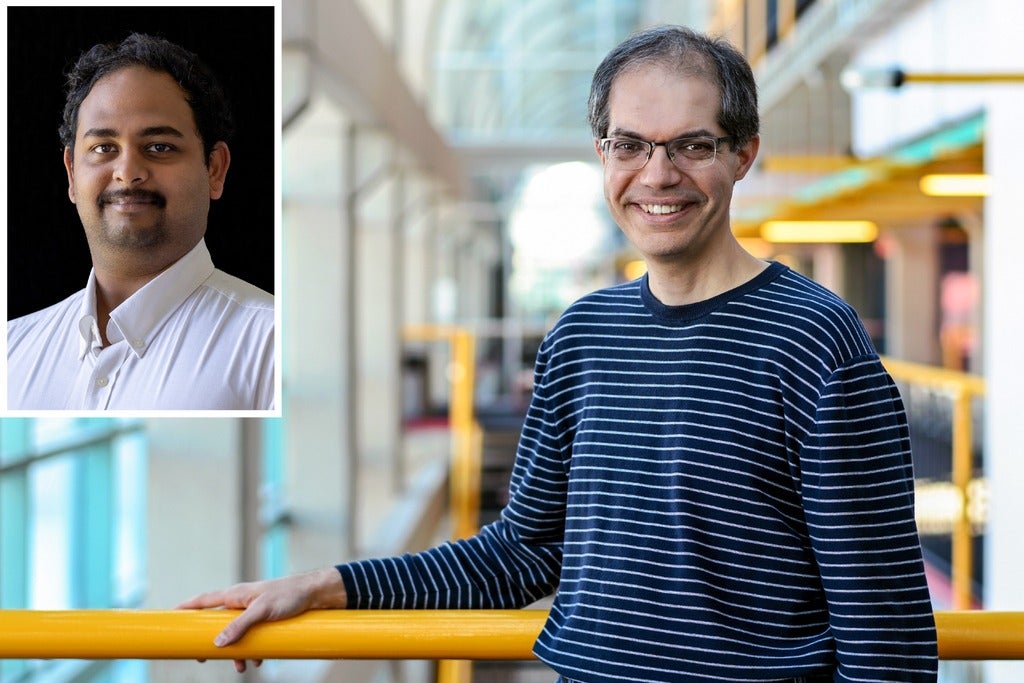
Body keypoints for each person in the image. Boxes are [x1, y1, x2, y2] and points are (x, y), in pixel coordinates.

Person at [180, 25, 938, 681]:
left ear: (743, 154)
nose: (658, 174)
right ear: (603, 154)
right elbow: (521, 553)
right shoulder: (581, 337)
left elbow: (888, 637)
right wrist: (326, 585)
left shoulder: (815, 342)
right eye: (630, 145)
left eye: (692, 145)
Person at [6, 33, 274, 411]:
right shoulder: (11, 351)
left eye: (159, 147)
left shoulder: (271, 346)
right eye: (103, 148)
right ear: (71, 173)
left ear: (214, 169)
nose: (128, 171)